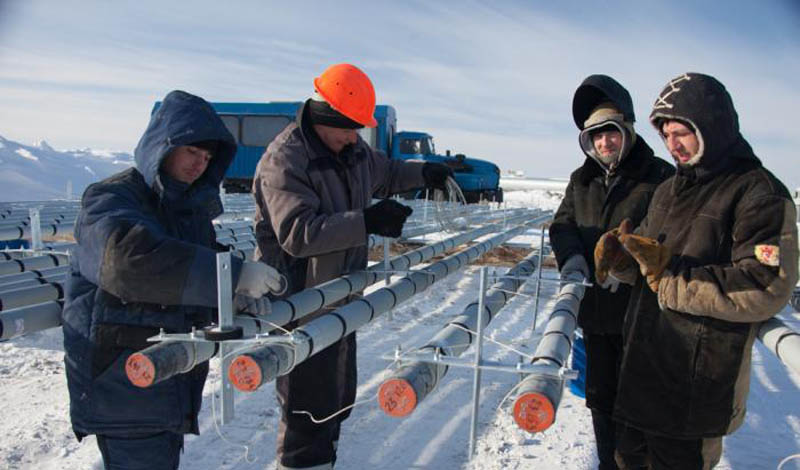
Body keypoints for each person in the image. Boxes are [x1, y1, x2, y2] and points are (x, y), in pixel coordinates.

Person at [62, 90, 282, 470]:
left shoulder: (185, 211)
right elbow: (128, 260)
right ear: (163, 145)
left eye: (208, 158)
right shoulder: (111, 199)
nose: (199, 165)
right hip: (124, 382)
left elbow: (204, 266)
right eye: (191, 152)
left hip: (165, 380)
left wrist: (234, 296)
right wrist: (229, 279)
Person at [252, 63, 452, 469]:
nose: (354, 136)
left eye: (358, 128)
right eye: (348, 127)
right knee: (306, 413)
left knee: (336, 400)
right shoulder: (286, 160)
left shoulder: (352, 150)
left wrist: (423, 173)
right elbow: (298, 232)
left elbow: (387, 171)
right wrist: (367, 222)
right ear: (326, 118)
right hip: (300, 302)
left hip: (341, 294)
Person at [599, 73, 798, 469]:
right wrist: (622, 263)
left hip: (693, 391)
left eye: (682, 133)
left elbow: (765, 283)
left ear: (712, 125)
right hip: (640, 378)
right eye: (666, 135)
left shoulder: (759, 194)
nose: (673, 145)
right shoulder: (668, 191)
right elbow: (649, 265)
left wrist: (670, 280)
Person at [549, 74, 674, 470]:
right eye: (596, 137)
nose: (605, 143)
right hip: (597, 314)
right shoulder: (581, 180)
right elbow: (563, 225)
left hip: (643, 317)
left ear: (627, 131)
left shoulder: (659, 177)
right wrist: (572, 258)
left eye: (612, 134)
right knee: (601, 399)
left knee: (640, 405)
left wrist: (632, 263)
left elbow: (670, 235)